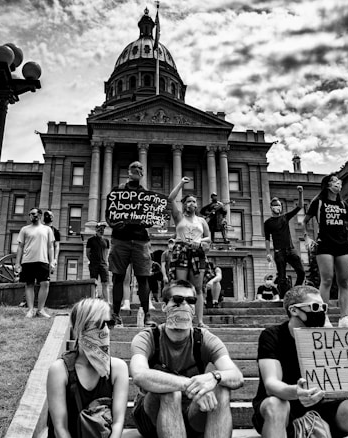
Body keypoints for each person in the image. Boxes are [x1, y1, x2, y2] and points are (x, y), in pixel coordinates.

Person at [252, 285, 348, 438]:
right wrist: (297, 392)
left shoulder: (328, 337)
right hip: (280, 409)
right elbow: (271, 384)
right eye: (315, 307)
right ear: (293, 310)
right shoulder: (272, 335)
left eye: (323, 307)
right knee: (276, 405)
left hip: (317, 409)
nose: (321, 311)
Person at [129, 279, 244, 438]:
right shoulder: (148, 337)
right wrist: (187, 384)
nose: (184, 304)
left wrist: (214, 377)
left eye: (190, 301)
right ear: (164, 306)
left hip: (192, 414)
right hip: (151, 417)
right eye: (177, 300)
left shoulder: (204, 338)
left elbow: (236, 376)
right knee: (171, 392)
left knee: (221, 389)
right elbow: (139, 374)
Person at [47, 298, 129, 438]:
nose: (105, 331)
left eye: (109, 323)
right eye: (97, 325)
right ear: (80, 328)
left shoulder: (118, 368)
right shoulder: (60, 370)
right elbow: (60, 429)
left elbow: (118, 422)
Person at [303, 174, 348, 328]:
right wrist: (307, 237)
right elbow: (305, 221)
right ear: (327, 185)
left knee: (344, 281)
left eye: (339, 182)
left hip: (342, 244)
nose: (338, 184)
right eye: (334, 181)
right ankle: (323, 317)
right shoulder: (319, 202)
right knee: (327, 279)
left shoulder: (342, 204)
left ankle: (344, 318)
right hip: (325, 244)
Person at [106, 161, 155, 327]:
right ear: (128, 171)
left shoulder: (146, 195)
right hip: (121, 239)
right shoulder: (117, 191)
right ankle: (116, 314)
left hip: (141, 240)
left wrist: (147, 222)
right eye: (134, 167)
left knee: (143, 277)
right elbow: (109, 213)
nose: (137, 169)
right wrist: (114, 224)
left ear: (142, 174)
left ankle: (147, 314)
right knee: (118, 276)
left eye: (141, 168)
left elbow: (151, 219)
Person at [168, 177, 212, 327]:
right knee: (181, 286)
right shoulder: (179, 217)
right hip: (181, 250)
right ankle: (179, 318)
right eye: (188, 201)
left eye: (194, 201)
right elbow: (170, 198)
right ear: (184, 204)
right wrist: (181, 183)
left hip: (197, 252)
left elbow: (209, 237)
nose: (191, 203)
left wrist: (200, 242)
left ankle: (199, 321)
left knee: (198, 288)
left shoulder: (202, 221)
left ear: (197, 205)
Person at [264, 186, 306, 298]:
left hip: (290, 249)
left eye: (279, 205)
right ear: (271, 207)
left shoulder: (285, 217)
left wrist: (300, 193)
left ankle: (295, 292)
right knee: (282, 277)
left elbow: (300, 206)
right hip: (279, 252)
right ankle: (283, 298)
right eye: (276, 205)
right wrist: (268, 253)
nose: (278, 207)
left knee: (301, 272)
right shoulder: (268, 223)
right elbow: (267, 238)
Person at [15, 207, 55, 318]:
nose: (32, 216)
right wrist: (18, 263)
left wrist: (52, 261)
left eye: (34, 214)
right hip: (28, 260)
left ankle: (41, 310)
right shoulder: (24, 229)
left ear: (40, 215)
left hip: (43, 260)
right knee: (29, 284)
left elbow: (51, 247)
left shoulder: (47, 230)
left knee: (45, 283)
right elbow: (20, 247)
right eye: (30, 214)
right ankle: (31, 310)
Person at [86, 221, 111, 302]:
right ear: (96, 230)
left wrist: (104, 260)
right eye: (100, 229)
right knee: (94, 283)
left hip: (103, 265)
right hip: (94, 264)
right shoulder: (90, 240)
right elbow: (88, 253)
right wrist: (92, 261)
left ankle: (107, 302)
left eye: (103, 229)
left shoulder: (106, 241)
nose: (101, 230)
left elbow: (106, 253)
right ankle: (93, 301)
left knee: (105, 283)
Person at [42, 210, 61, 275]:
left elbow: (57, 246)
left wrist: (55, 259)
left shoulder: (55, 231)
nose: (48, 217)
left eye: (49, 215)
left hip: (49, 256)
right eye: (46, 215)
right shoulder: (39, 229)